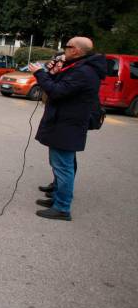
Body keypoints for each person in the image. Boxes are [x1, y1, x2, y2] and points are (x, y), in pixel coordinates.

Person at [28, 36, 106, 221]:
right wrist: (53, 69)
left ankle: (62, 207)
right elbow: (58, 83)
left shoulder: (84, 72)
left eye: (67, 47)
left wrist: (39, 73)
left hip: (67, 124)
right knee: (63, 163)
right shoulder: (79, 67)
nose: (64, 50)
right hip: (65, 122)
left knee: (63, 166)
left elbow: (56, 91)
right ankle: (57, 197)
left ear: (77, 50)